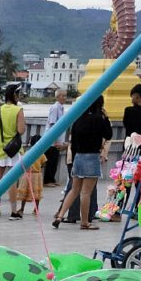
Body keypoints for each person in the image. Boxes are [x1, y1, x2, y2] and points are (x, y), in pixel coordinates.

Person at [52, 94, 112, 230]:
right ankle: (84, 222)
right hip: (92, 157)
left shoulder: (78, 119)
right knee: (86, 192)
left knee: (74, 190)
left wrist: (73, 160)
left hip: (78, 156)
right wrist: (106, 117)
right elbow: (108, 135)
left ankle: (60, 216)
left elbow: (73, 143)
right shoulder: (98, 119)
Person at [0, 83, 26, 218]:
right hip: (13, 150)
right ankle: (13, 211)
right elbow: (21, 130)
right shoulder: (18, 110)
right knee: (12, 181)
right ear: (14, 95)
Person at [16, 135, 46, 215]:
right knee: (37, 193)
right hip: (37, 175)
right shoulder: (41, 154)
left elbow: (23, 163)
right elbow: (44, 164)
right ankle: (36, 209)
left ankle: (22, 208)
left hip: (27, 174)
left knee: (25, 191)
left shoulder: (28, 153)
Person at [43, 89, 66, 186]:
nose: (64, 98)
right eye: (63, 96)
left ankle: (52, 179)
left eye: (65, 96)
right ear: (58, 96)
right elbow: (53, 124)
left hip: (57, 140)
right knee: (50, 160)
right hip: (52, 140)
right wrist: (55, 140)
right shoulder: (55, 107)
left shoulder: (61, 108)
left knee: (54, 160)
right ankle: (47, 180)